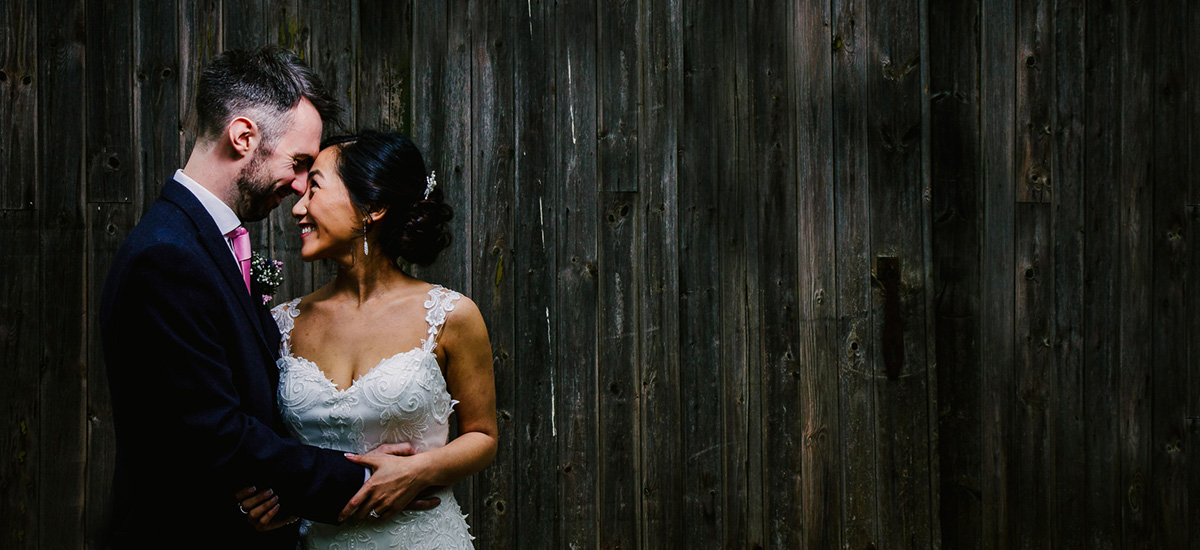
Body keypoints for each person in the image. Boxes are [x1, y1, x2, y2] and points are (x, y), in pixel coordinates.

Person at [99, 46, 436, 548]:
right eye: (298, 163)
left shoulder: (199, 240)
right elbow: (214, 434)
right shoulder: (167, 257)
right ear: (243, 136)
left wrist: (283, 492)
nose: (301, 186)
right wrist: (364, 479)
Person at [237, 131, 498, 548]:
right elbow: (271, 446)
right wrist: (272, 498)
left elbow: (482, 437)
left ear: (372, 207)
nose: (298, 208)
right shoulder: (281, 323)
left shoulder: (451, 315)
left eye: (315, 189)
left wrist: (419, 471)